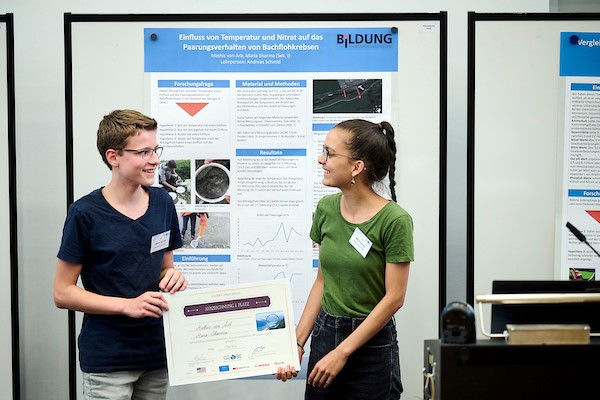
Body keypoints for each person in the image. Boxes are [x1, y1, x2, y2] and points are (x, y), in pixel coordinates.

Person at [53, 109, 188, 400]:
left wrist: (173, 277)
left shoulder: (163, 203)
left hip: (156, 353)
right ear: (113, 157)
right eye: (143, 152)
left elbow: (165, 268)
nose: (154, 160)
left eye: (155, 150)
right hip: (109, 360)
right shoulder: (84, 213)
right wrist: (126, 306)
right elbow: (62, 293)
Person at [277, 119, 414, 400]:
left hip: (372, 346)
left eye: (329, 153)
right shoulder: (326, 209)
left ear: (356, 167)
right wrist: (297, 343)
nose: (320, 159)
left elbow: (394, 298)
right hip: (326, 334)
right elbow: (323, 280)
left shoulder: (395, 220)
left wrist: (342, 352)